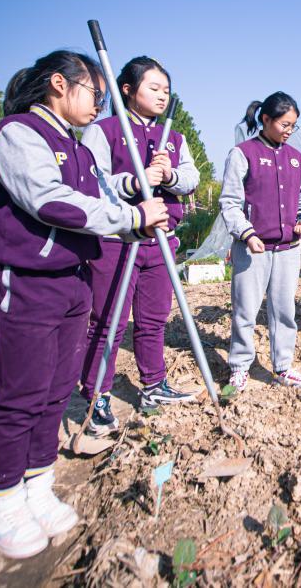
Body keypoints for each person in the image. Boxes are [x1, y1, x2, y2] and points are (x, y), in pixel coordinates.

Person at [0, 50, 168, 558]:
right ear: (59, 84)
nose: (99, 104)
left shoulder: (77, 147)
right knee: (21, 394)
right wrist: (130, 219)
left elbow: (105, 193)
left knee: (56, 391)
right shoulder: (20, 134)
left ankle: (36, 484)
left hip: (73, 280)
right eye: (94, 93)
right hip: (29, 282)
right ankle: (0, 497)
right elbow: (48, 200)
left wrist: (138, 193)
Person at [78, 57, 200, 434]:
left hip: (160, 240)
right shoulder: (105, 131)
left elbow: (192, 178)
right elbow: (92, 183)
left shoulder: (173, 138)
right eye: (153, 88)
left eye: (166, 90)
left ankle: (153, 385)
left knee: (152, 320)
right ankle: (97, 395)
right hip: (116, 240)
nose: (162, 96)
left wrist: (169, 175)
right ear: (127, 90)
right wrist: (135, 181)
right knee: (108, 322)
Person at [219, 91, 301, 391]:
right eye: (284, 124)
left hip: (287, 250)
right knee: (245, 310)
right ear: (266, 119)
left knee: (284, 311)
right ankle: (241, 366)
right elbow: (230, 202)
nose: (288, 131)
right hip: (252, 248)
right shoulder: (242, 153)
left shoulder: (298, 159)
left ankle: (282, 366)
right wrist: (247, 233)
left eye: (293, 126)